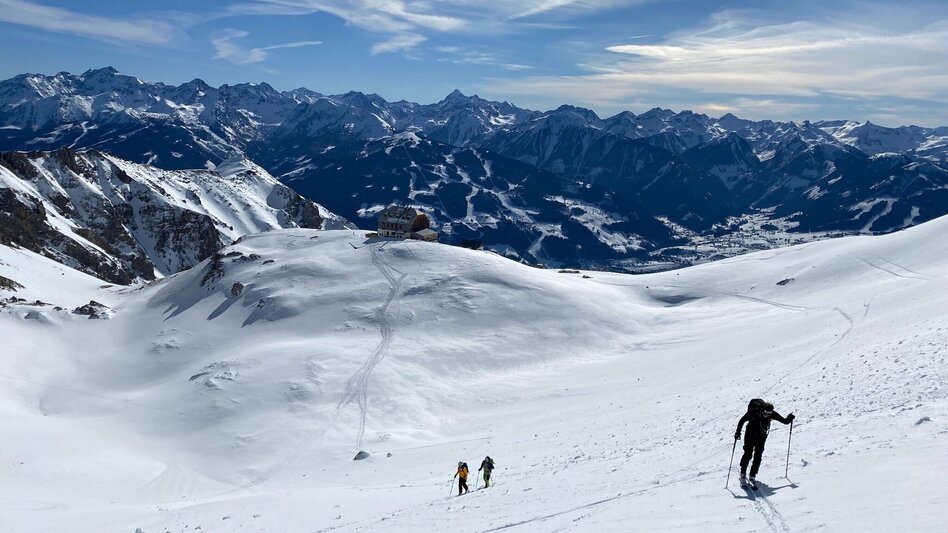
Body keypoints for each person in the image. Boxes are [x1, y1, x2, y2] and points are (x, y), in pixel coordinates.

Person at [735, 399, 794, 488]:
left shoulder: (772, 414)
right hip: (750, 433)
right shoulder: (754, 412)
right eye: (766, 412)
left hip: (761, 436)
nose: (767, 414)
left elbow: (784, 421)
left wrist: (790, 418)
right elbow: (742, 421)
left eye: (769, 413)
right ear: (762, 409)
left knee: (758, 455)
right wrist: (738, 432)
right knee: (748, 453)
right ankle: (743, 472)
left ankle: (753, 475)